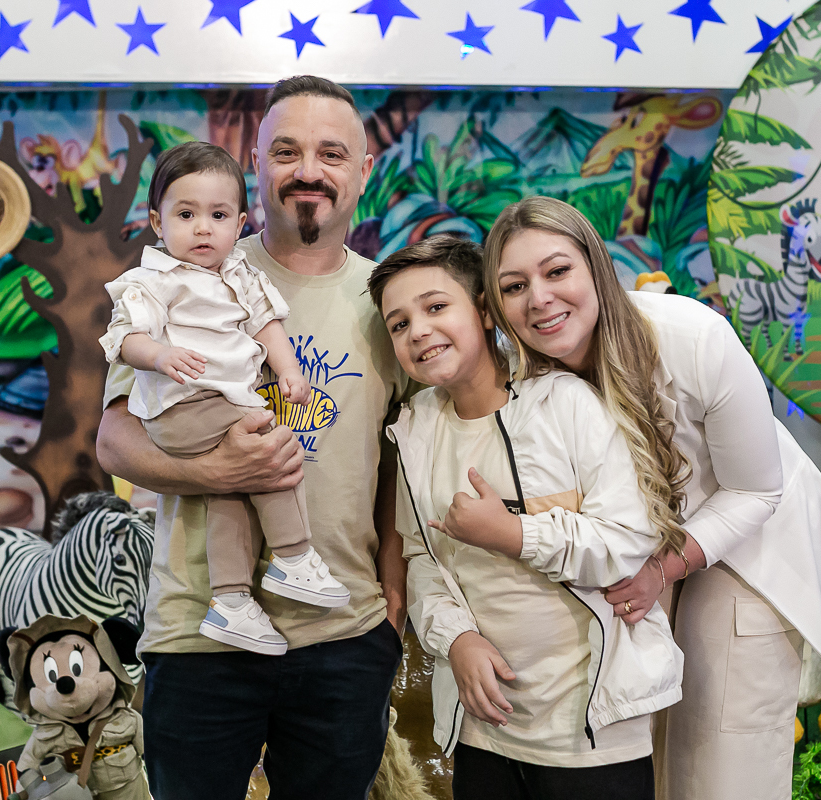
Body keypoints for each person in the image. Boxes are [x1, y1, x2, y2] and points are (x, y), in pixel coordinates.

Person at [482, 196, 821, 800]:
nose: (540, 298)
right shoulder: (522, 380)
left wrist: (665, 569)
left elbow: (755, 488)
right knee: (651, 755)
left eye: (557, 271)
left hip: (748, 546)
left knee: (720, 756)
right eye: (514, 285)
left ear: (597, 268)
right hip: (643, 554)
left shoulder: (692, 336)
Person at [95, 76, 408, 800]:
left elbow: (402, 464)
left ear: (363, 171)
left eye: (332, 153)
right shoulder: (183, 279)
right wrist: (222, 472)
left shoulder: (391, 299)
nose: (308, 171)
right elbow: (115, 442)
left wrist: (392, 592)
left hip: (344, 635)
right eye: (286, 151)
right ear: (255, 166)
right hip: (198, 634)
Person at [370, 236, 680, 800]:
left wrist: (513, 533)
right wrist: (457, 640)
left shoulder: (565, 404)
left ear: (485, 309)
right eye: (398, 323)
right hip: (485, 726)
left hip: (591, 729)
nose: (417, 330)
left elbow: (629, 540)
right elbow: (421, 558)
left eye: (436, 307)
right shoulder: (415, 429)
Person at [100, 142, 349, 656]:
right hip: (181, 406)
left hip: (223, 401)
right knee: (271, 446)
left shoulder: (240, 275)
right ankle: (294, 556)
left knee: (232, 491)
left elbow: (268, 325)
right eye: (185, 214)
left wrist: (289, 371)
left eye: (216, 216)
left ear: (238, 224)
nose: (201, 228)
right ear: (157, 221)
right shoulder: (154, 280)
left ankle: (232, 602)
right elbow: (124, 337)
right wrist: (158, 356)